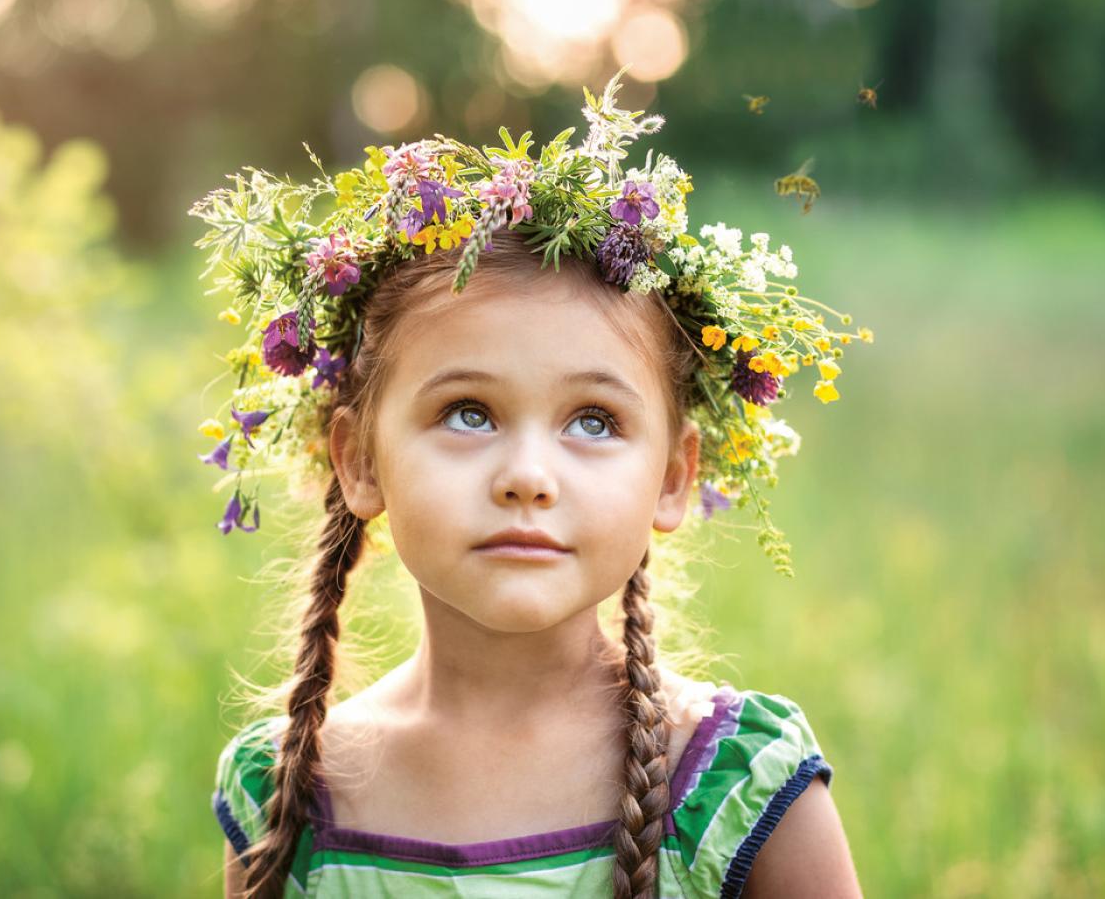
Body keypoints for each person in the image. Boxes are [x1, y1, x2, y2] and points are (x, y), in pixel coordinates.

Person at [193, 70, 868, 898]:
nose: (526, 478)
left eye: (593, 420)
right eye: (468, 411)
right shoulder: (283, 798)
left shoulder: (744, 792)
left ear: (672, 476)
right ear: (360, 460)